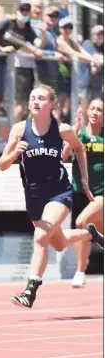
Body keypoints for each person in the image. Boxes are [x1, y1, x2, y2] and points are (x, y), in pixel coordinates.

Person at [0, 85, 104, 309]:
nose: (35, 102)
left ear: (52, 104)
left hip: (59, 192)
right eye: (32, 98)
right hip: (34, 196)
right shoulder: (19, 129)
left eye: (41, 98)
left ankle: (30, 290)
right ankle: (89, 234)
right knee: (59, 243)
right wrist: (16, 152)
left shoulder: (62, 129)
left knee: (39, 237)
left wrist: (84, 179)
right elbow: (2, 164)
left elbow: (79, 148)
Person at [62, 99, 104, 288]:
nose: (95, 112)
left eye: (100, 110)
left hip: (101, 193)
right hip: (81, 192)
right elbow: (63, 156)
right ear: (87, 112)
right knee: (92, 232)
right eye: (93, 108)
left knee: (82, 223)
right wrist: (74, 133)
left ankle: (80, 272)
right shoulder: (78, 133)